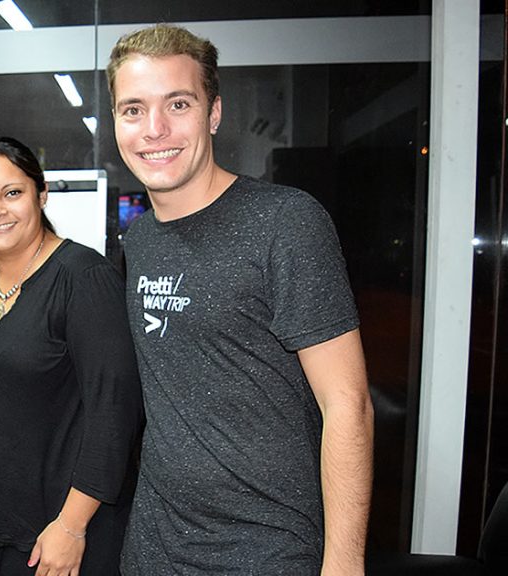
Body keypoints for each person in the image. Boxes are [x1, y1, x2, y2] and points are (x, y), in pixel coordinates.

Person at [108, 24, 375, 575]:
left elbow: (348, 406)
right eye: (132, 109)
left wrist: (345, 564)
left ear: (214, 113)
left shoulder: (287, 222)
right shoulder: (138, 240)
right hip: (155, 547)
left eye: (177, 104)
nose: (154, 129)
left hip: (267, 549)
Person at [0, 136, 144, 576]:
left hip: (58, 531)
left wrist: (71, 527)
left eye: (12, 193)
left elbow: (114, 415)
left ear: (42, 193)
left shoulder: (85, 279)